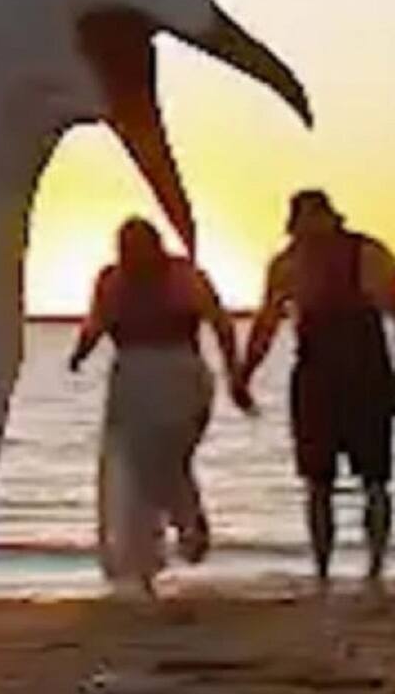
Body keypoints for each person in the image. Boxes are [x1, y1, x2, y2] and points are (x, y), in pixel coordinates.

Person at [238, 190, 395, 587]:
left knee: (373, 479)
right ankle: (324, 567)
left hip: (360, 370)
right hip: (323, 371)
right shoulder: (290, 263)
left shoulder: (367, 254)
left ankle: (373, 565)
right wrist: (245, 374)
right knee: (319, 481)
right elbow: (267, 323)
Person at [69, 217, 251, 598]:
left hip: (177, 374)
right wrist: (80, 353)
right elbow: (97, 323)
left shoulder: (183, 276)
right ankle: (148, 562)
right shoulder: (114, 280)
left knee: (161, 460)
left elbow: (220, 324)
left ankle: (187, 521)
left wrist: (235, 374)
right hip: (137, 377)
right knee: (135, 469)